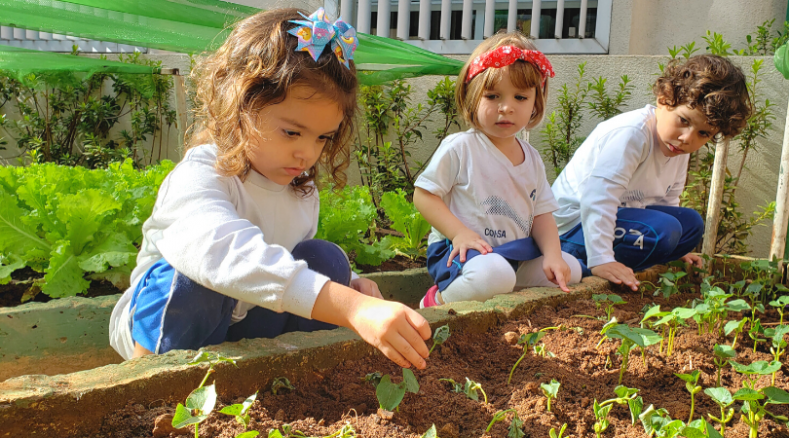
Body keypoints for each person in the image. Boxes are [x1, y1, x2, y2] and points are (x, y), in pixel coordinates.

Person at [109, 8, 432, 370]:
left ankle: (285, 376)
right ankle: (145, 388)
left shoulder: (300, 192)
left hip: (244, 320)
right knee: (194, 280)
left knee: (328, 260)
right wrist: (350, 307)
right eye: (292, 132)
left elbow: (287, 262)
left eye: (322, 137)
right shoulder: (203, 172)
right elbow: (220, 254)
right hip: (172, 321)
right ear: (240, 105)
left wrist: (353, 286)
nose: (306, 153)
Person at [551, 54, 752, 291]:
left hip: (617, 220)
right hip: (572, 226)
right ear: (664, 98)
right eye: (684, 121)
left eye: (703, 134)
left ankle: (616, 261)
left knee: (690, 224)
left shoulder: (677, 147)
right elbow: (598, 199)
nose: (687, 138)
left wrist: (676, 248)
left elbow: (667, 201)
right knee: (666, 229)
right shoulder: (632, 133)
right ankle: (583, 263)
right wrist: (601, 258)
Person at [414, 32, 583, 308]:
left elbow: (541, 214)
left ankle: (503, 288)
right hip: (462, 252)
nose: (506, 108)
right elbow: (423, 196)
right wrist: (458, 233)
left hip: (513, 255)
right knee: (495, 274)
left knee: (570, 267)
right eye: (492, 96)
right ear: (472, 97)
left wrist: (553, 254)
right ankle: (437, 301)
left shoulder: (531, 158)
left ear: (535, 103)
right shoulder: (461, 148)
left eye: (520, 97)